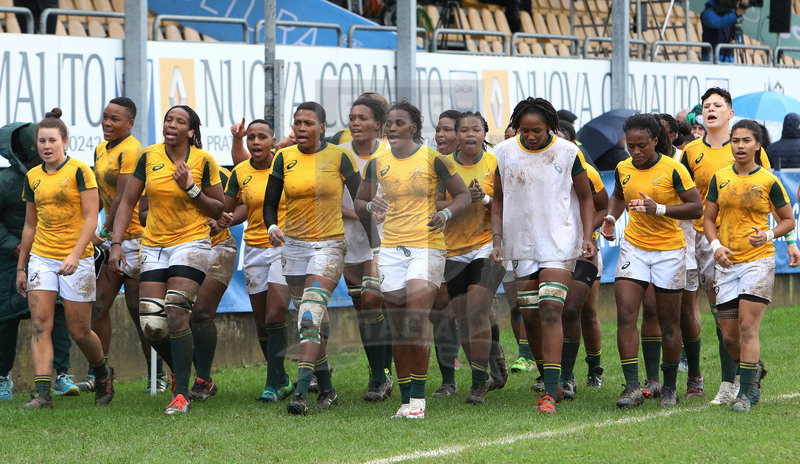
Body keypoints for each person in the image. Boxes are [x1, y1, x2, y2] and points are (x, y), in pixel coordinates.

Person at [354, 100, 471, 419]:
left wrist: (445, 212)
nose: (391, 128)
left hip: (427, 247)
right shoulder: (376, 162)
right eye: (388, 123)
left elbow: (463, 195)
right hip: (391, 250)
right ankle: (406, 401)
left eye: (398, 123)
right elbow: (360, 199)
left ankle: (418, 402)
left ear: (413, 128)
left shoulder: (433, 159)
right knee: (399, 327)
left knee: (417, 318)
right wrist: (369, 207)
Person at [264, 102, 377, 416]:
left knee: (310, 316)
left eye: (308, 123)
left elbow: (362, 202)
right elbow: (270, 203)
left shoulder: (339, 156)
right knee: (310, 321)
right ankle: (327, 389)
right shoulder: (283, 158)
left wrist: (377, 251)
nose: (301, 128)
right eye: (297, 122)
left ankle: (301, 394)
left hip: (328, 246)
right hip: (293, 248)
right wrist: (272, 226)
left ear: (322, 127)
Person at [109, 105, 224, 415]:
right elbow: (128, 203)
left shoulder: (203, 161)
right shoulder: (147, 157)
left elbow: (219, 209)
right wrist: (116, 244)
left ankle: (182, 394)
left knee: (176, 312)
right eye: (168, 119)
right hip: (154, 245)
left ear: (190, 131)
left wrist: (191, 187)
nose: (171, 124)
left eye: (180, 121)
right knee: (152, 326)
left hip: (192, 242)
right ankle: (191, 375)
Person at [490, 97, 597, 414]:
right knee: (531, 318)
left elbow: (586, 198)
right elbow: (497, 200)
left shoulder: (568, 152)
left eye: (536, 130)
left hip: (559, 241)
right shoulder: (504, 152)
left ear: (550, 127)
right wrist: (497, 239)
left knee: (552, 307)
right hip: (520, 242)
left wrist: (587, 237)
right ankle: (550, 378)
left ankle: (550, 392)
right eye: (524, 130)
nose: (530, 135)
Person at [680, 87, 786, 406]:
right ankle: (742, 374)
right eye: (705, 106)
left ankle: (738, 387)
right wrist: (711, 243)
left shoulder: (759, 165)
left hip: (753, 254)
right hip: (709, 246)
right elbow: (691, 202)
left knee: (744, 323)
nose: (710, 110)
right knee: (724, 326)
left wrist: (780, 239)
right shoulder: (692, 153)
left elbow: (780, 209)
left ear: (729, 111)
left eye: (717, 105)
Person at [601, 113, 703, 409]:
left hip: (669, 251)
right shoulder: (623, 167)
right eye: (631, 146)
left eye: (642, 146)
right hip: (634, 248)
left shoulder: (673, 168)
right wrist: (610, 218)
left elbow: (695, 207)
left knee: (669, 323)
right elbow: (619, 195)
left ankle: (669, 386)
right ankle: (632, 386)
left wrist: (658, 208)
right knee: (625, 314)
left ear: (656, 141)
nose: (636, 152)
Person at [15, 109, 113, 409]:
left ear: (65, 141)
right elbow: (30, 224)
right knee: (40, 323)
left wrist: (74, 254)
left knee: (79, 331)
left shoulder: (81, 171)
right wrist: (22, 266)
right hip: (42, 258)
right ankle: (42, 395)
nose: (47, 146)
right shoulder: (32, 177)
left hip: (77, 259)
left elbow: (90, 219)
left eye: (52, 140)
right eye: (42, 141)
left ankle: (102, 374)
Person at [703, 119, 797, 411]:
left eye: (746, 140)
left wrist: (768, 234)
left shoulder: (768, 180)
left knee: (746, 327)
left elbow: (787, 220)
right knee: (729, 335)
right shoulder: (720, 178)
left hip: (758, 261)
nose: (740, 145)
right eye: (735, 140)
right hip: (727, 263)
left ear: (758, 145)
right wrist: (716, 246)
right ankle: (753, 370)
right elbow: (708, 219)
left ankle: (747, 393)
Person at [85, 97, 167, 394]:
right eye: (105, 117)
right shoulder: (100, 149)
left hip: (134, 240)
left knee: (139, 311)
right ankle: (101, 373)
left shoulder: (133, 150)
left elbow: (122, 198)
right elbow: (102, 196)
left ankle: (156, 374)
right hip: (112, 241)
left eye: (115, 119)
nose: (107, 123)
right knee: (97, 307)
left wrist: (105, 233)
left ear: (130, 123)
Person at [0, 121, 78, 400]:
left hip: (49, 256)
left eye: (48, 142)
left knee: (56, 315)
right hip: (11, 263)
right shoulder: (6, 180)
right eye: (36, 145)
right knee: (6, 319)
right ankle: (2, 378)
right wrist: (14, 246)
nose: (43, 149)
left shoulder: (66, 174)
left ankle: (60, 374)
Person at [439, 112, 506, 404]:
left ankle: (479, 384)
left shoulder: (494, 163)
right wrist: (462, 198)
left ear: (484, 134)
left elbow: (505, 203)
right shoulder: (443, 165)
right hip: (452, 249)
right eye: (463, 130)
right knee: (464, 319)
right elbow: (434, 202)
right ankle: (485, 371)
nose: (469, 135)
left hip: (486, 244)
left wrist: (498, 240)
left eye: (475, 130)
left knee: (477, 309)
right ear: (455, 134)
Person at [227, 119, 294, 402]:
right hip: (253, 249)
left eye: (262, 137)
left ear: (273, 141)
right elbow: (231, 207)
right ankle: (281, 378)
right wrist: (220, 218)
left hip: (285, 246)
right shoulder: (240, 172)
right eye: (251, 137)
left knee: (275, 314)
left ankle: (272, 385)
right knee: (261, 323)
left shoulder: (286, 166)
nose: (256, 142)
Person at [339, 97, 394, 401]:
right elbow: (332, 198)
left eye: (362, 118)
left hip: (384, 236)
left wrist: (387, 210)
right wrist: (361, 211)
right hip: (351, 236)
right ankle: (379, 374)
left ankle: (380, 375)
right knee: (363, 308)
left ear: (378, 125)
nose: (356, 123)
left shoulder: (389, 153)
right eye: (352, 118)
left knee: (375, 301)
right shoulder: (339, 154)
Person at [556, 120, 608, 398]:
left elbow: (603, 206)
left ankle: (594, 368)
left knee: (583, 311)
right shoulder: (537, 169)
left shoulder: (587, 172)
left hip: (583, 251)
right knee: (556, 311)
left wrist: (586, 235)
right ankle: (561, 374)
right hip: (551, 252)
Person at [658, 113, 704, 398]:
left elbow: (696, 204)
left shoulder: (682, 160)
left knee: (686, 312)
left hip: (684, 244)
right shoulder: (636, 164)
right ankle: (656, 379)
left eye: (659, 132)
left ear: (672, 136)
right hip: (649, 248)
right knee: (654, 313)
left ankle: (694, 372)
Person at [429, 109, 464, 397]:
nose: (440, 135)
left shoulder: (483, 163)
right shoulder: (431, 163)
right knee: (440, 311)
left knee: (470, 311)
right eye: (438, 129)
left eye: (447, 130)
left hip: (476, 248)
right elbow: (433, 202)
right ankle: (448, 380)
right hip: (440, 246)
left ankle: (491, 361)